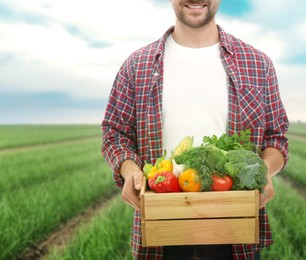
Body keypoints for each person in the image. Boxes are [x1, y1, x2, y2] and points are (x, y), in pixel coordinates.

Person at [101, 0, 289, 259]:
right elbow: (115, 133)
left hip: (235, 232)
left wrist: (264, 171)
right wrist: (130, 170)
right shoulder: (136, 66)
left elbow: (276, 137)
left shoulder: (258, 64)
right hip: (162, 232)